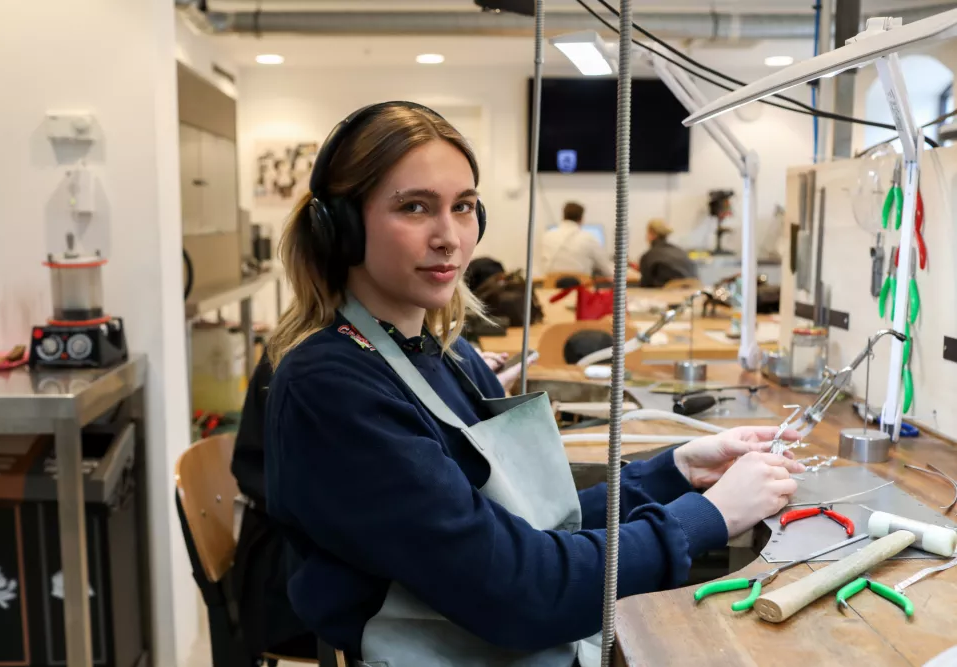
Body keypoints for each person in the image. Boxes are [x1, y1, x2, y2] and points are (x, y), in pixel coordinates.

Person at [263, 101, 803, 666]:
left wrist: (676, 473)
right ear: (342, 229)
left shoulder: (446, 354)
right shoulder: (332, 387)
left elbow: (537, 525)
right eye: (414, 207)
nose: (449, 236)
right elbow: (522, 590)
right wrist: (710, 517)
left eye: (464, 206)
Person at [539, 202, 614, 278]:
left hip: (550, 287)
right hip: (580, 287)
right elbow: (607, 269)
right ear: (581, 218)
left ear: (563, 216)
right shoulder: (588, 238)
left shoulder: (547, 236)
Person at [639, 218, 699, 288]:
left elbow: (645, 285)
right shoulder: (680, 251)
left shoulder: (648, 256)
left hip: (665, 295)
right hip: (691, 292)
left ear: (652, 234)